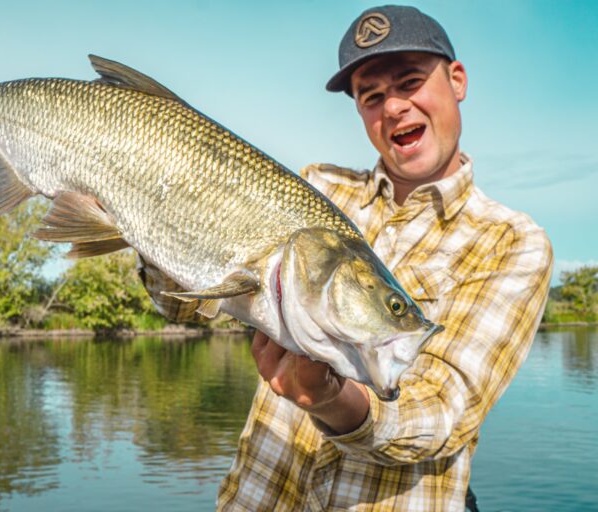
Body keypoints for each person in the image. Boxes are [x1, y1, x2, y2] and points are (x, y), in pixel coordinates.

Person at [212, 5, 553, 511]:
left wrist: (332, 399)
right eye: (371, 96)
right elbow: (188, 302)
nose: (392, 108)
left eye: (410, 82)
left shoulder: (512, 240)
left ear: (456, 80)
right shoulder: (317, 189)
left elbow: (443, 412)